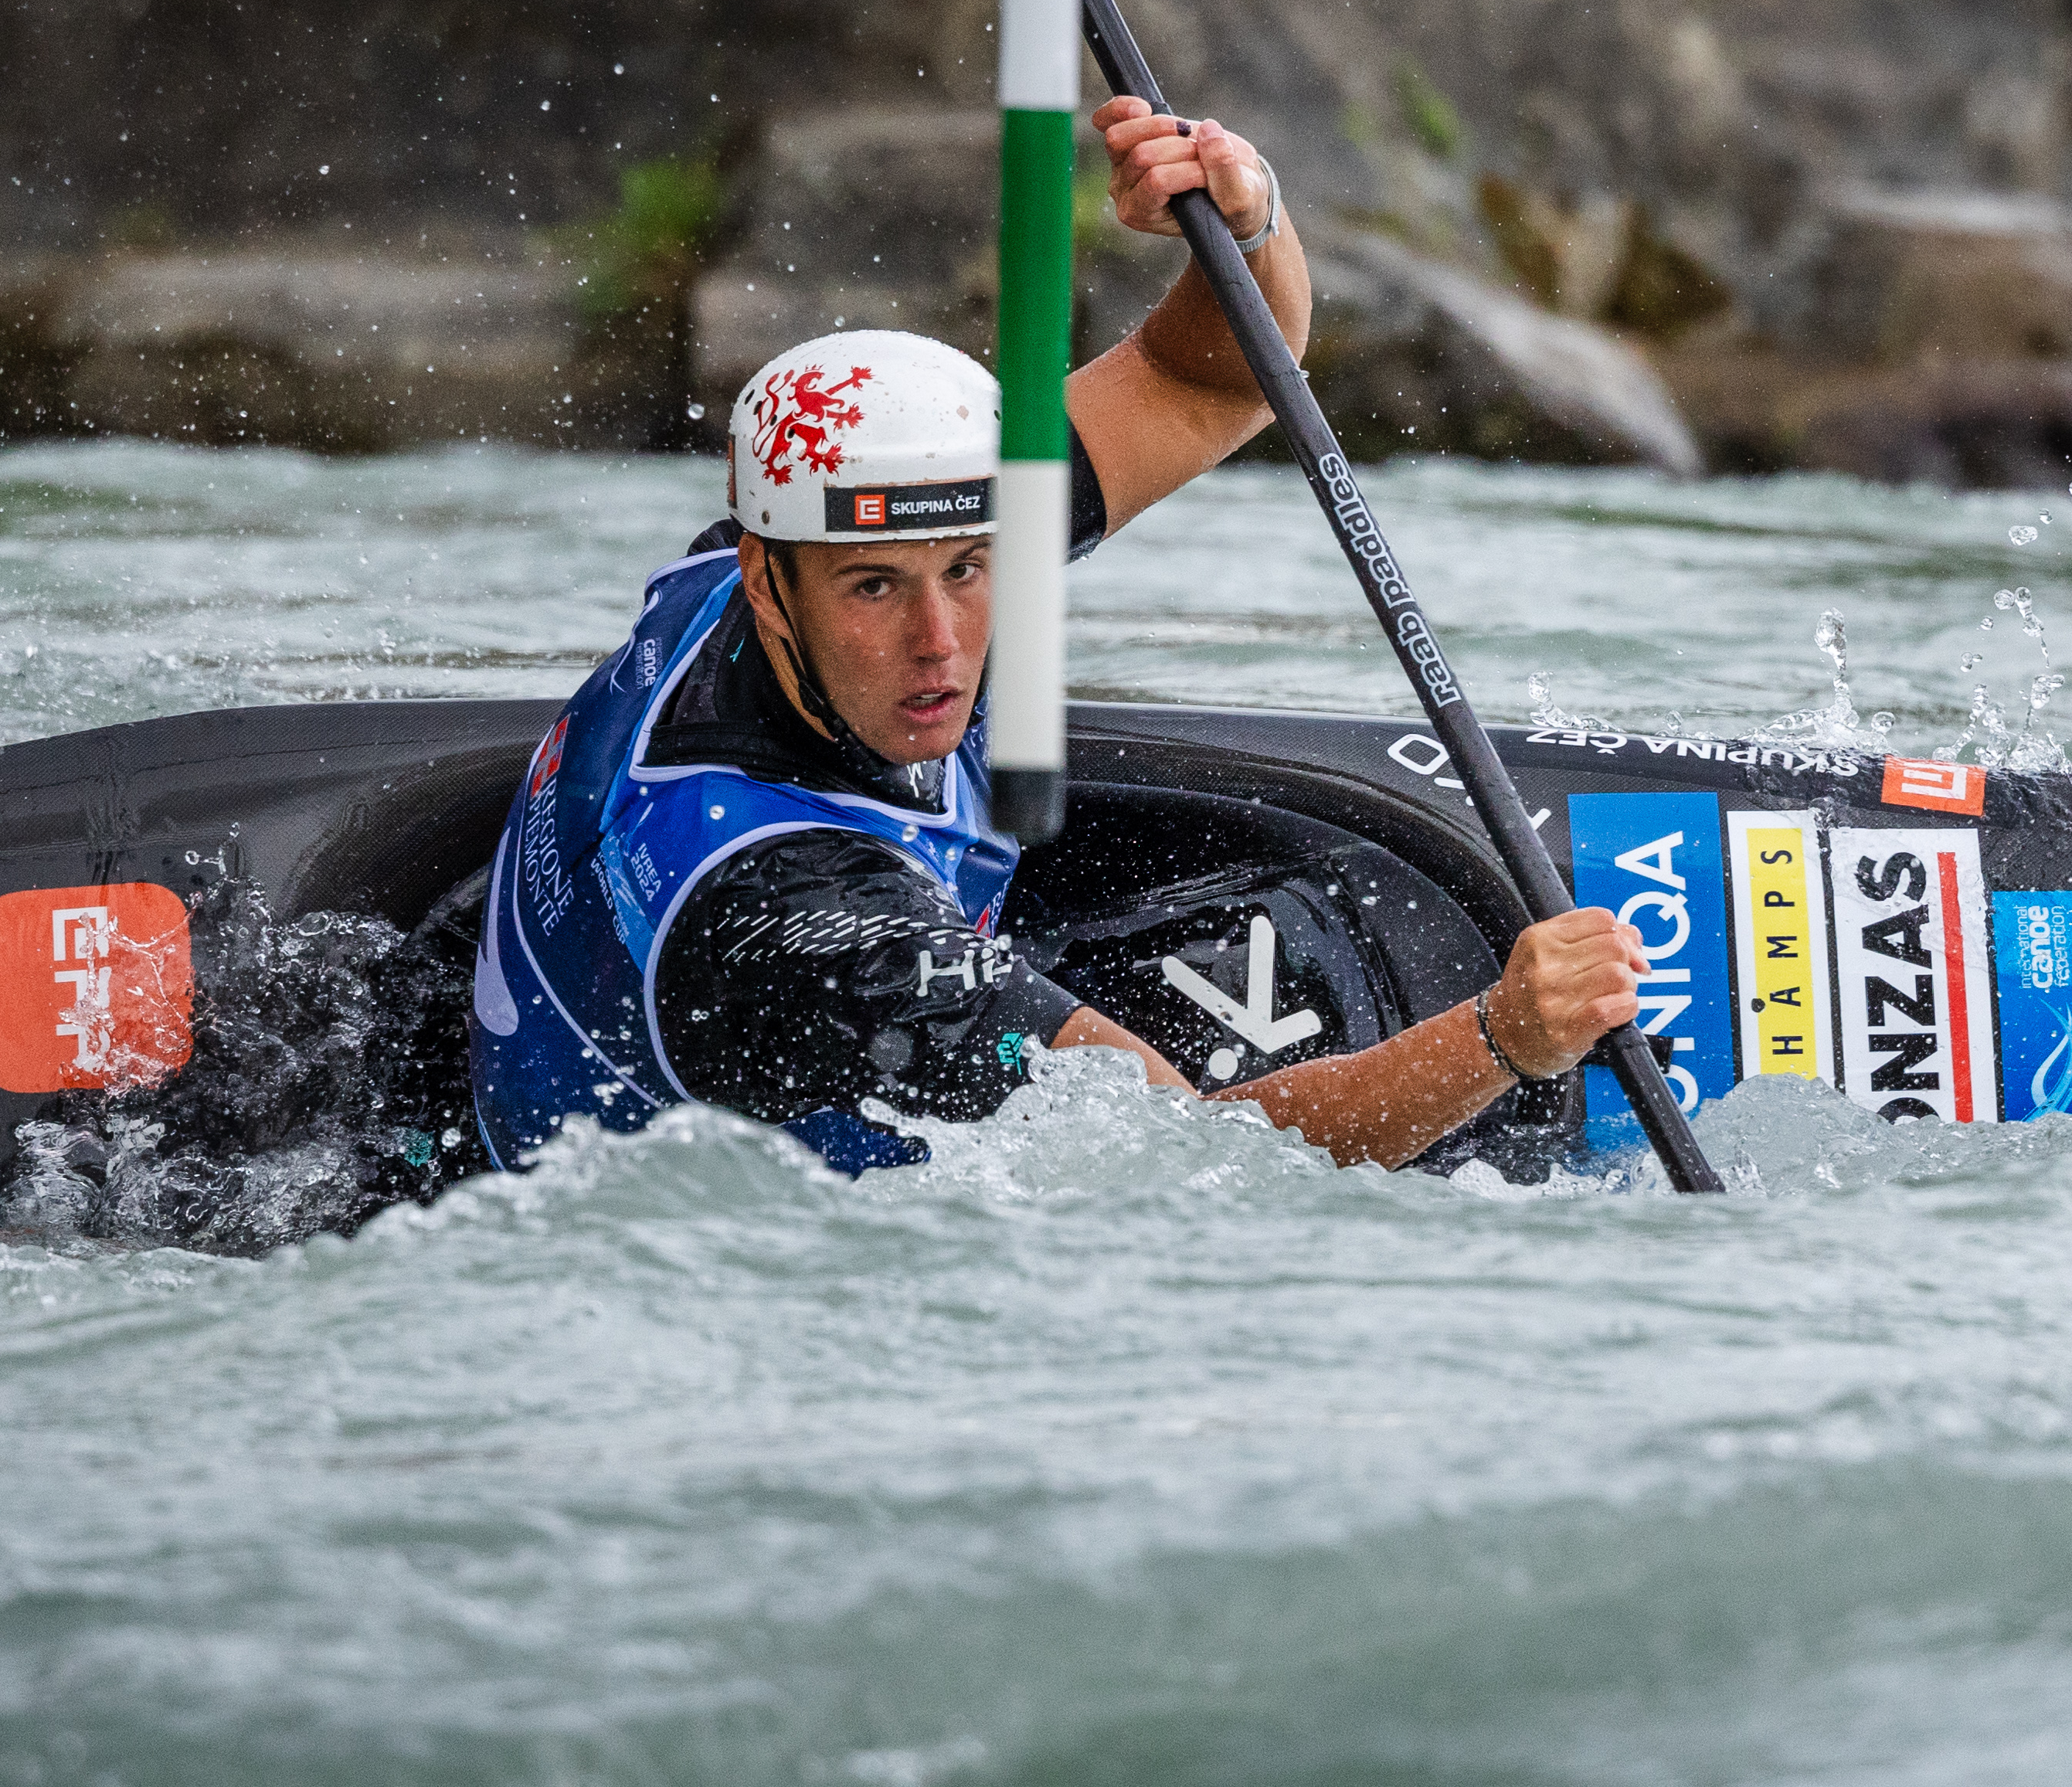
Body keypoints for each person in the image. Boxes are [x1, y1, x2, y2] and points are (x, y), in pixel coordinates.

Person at [471, 97, 1646, 1173]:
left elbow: (1211, 386)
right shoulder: (805, 925)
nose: (943, 640)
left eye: (972, 570)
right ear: (764, 582)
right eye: (876, 592)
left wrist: (1238, 223)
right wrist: (1501, 1036)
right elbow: (1188, 1169)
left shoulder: (842, 529)